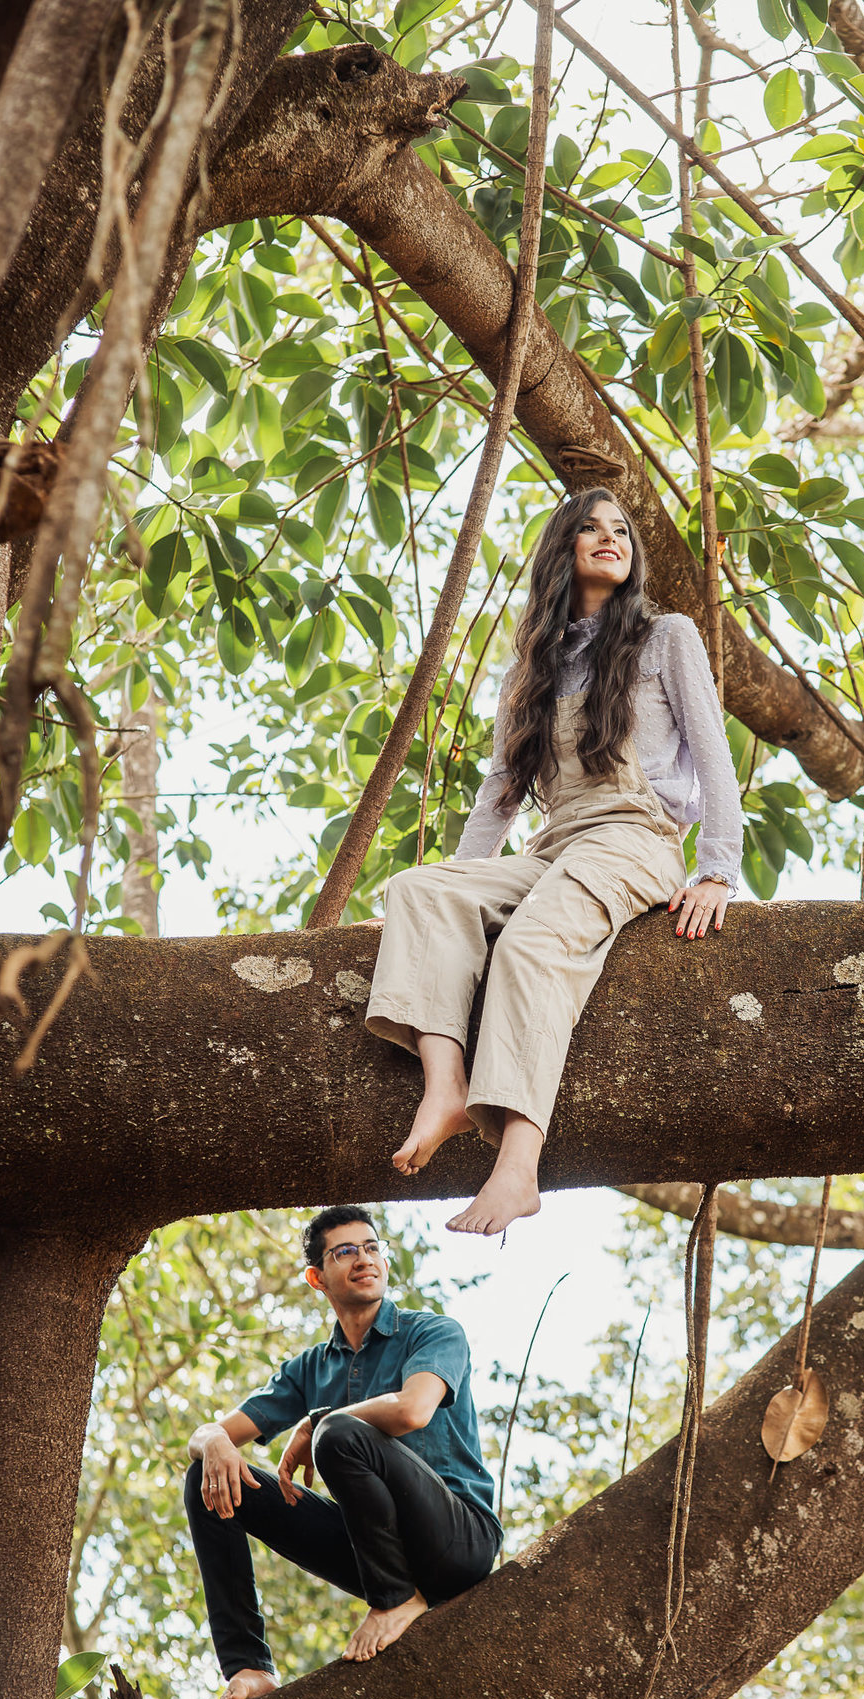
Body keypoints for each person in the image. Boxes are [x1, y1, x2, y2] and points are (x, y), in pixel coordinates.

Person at [366, 487, 743, 1237]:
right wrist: (462, 887)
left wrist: (717, 871)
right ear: (562, 548)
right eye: (591, 528)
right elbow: (499, 796)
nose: (612, 538)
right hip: (557, 847)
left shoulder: (666, 637)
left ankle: (518, 1167)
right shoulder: (530, 672)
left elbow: (715, 757)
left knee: (532, 943)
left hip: (636, 839)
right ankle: (445, 1088)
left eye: (621, 529)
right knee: (419, 892)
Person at [183, 1204, 502, 1699]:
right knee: (207, 1476)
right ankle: (250, 1667)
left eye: (372, 1247)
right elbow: (209, 1434)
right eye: (346, 1251)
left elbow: (413, 1410)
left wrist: (319, 1420)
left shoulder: (433, 1332)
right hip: (374, 1552)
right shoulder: (311, 1366)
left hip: (457, 1541)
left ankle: (396, 1600)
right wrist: (214, 1440)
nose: (364, 1259)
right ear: (317, 1277)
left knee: (336, 1433)